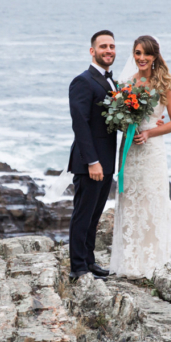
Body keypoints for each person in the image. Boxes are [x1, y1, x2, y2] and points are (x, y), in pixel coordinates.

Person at [109, 35, 171, 279]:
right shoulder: (126, 83)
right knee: (129, 199)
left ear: (154, 56)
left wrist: (150, 132)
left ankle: (152, 261)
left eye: (146, 54)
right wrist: (124, 123)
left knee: (151, 199)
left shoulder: (165, 84)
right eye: (137, 53)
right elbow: (120, 118)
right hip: (129, 150)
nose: (141, 58)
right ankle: (129, 260)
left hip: (152, 150)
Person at [67, 30, 119, 279]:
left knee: (94, 216)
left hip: (107, 161)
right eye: (103, 47)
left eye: (112, 46)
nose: (108, 50)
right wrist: (93, 162)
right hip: (90, 162)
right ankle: (77, 267)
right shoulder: (82, 81)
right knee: (82, 215)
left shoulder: (111, 81)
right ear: (92, 51)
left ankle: (89, 261)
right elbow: (81, 124)